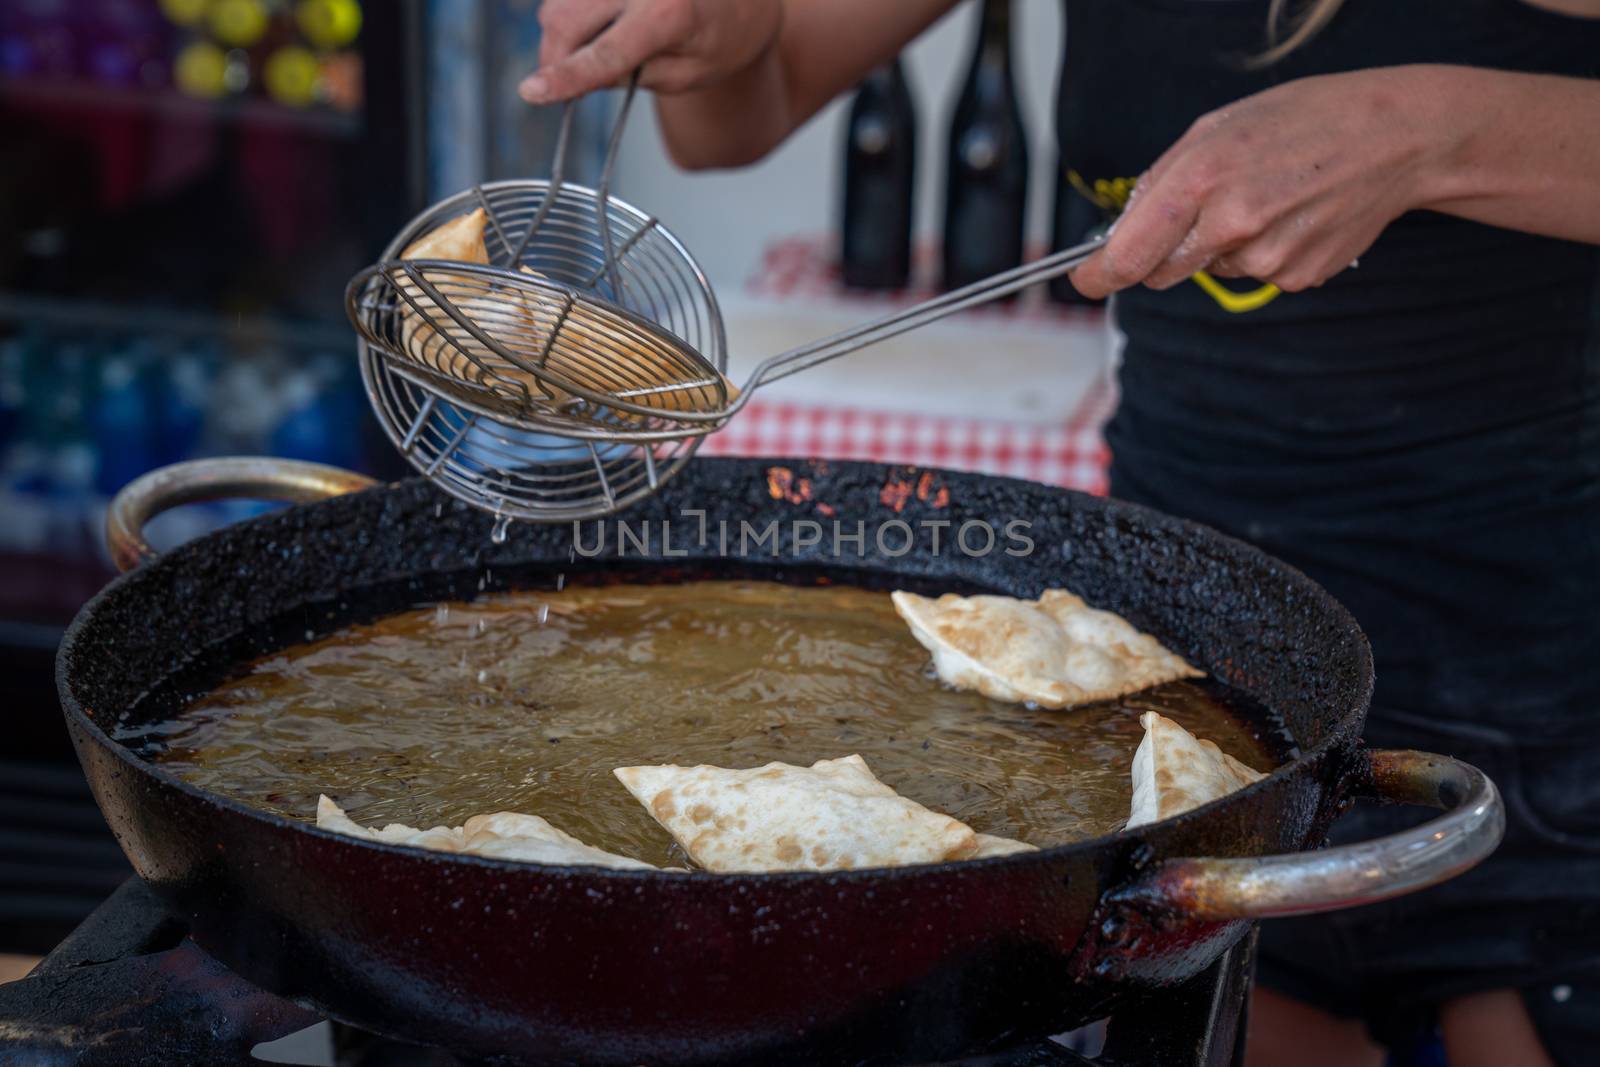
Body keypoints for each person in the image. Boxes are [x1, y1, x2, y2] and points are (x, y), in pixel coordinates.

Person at [519, 2, 1600, 1065]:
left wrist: (1426, 131)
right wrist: (729, 35)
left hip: (1526, 664)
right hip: (1190, 656)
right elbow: (733, 118)